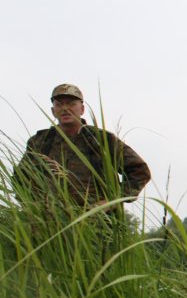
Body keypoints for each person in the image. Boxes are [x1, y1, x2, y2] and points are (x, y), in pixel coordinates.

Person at [16, 83, 151, 211]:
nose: (65, 108)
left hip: (97, 220)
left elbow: (140, 170)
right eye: (59, 104)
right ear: (53, 111)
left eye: (71, 103)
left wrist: (111, 201)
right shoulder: (40, 141)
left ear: (82, 109)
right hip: (51, 220)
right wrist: (32, 205)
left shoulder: (102, 139)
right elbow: (20, 177)